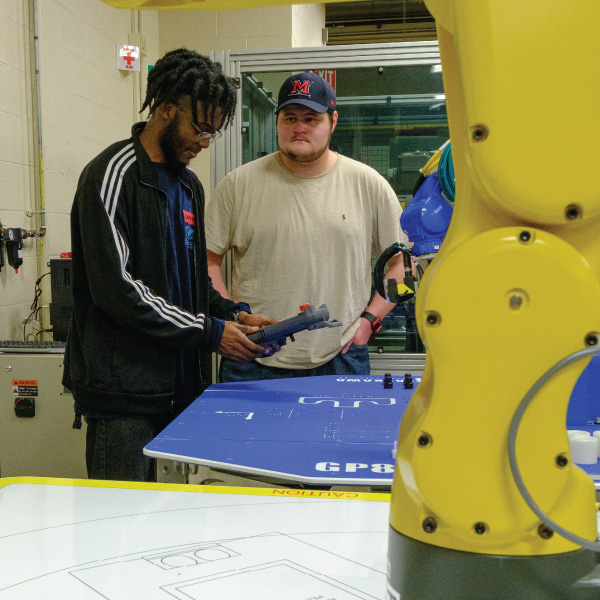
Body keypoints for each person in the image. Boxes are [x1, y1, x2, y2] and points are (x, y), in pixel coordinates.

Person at [63, 48, 276, 482]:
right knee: (119, 524)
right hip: (125, 397)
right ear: (165, 109)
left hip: (181, 388)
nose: (203, 143)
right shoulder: (112, 175)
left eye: (212, 134)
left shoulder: (189, 186)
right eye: (199, 129)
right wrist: (210, 333)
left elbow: (193, 283)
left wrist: (232, 313)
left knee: (173, 525)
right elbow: (117, 289)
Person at [206, 71, 409, 382]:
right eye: (289, 118)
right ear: (277, 122)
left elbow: (403, 267)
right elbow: (208, 262)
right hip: (251, 357)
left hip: (342, 355)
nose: (299, 128)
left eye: (311, 119)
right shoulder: (239, 184)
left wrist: (370, 323)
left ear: (333, 121)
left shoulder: (368, 185)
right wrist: (231, 319)